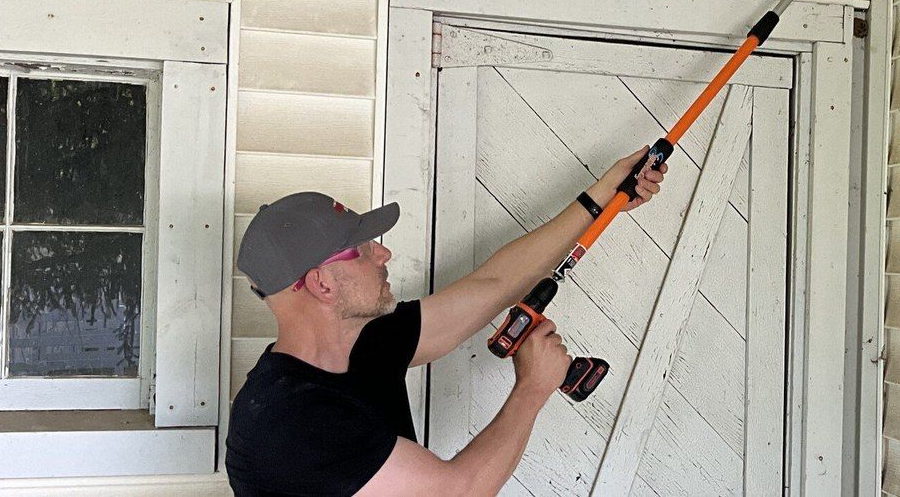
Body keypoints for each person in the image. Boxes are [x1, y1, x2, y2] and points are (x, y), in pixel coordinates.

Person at [225, 149, 666, 496]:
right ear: (322, 284)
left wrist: (601, 199)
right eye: (361, 248)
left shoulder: (363, 340)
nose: (383, 253)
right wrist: (533, 388)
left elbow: (496, 283)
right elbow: (458, 491)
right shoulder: (287, 419)